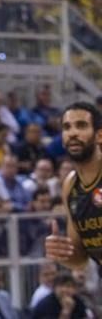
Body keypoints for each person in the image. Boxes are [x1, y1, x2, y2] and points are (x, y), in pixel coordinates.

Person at [46, 102, 102, 271]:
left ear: (99, 136)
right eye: (67, 127)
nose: (73, 133)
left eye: (81, 126)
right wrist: (62, 254)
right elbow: (80, 259)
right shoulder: (70, 185)